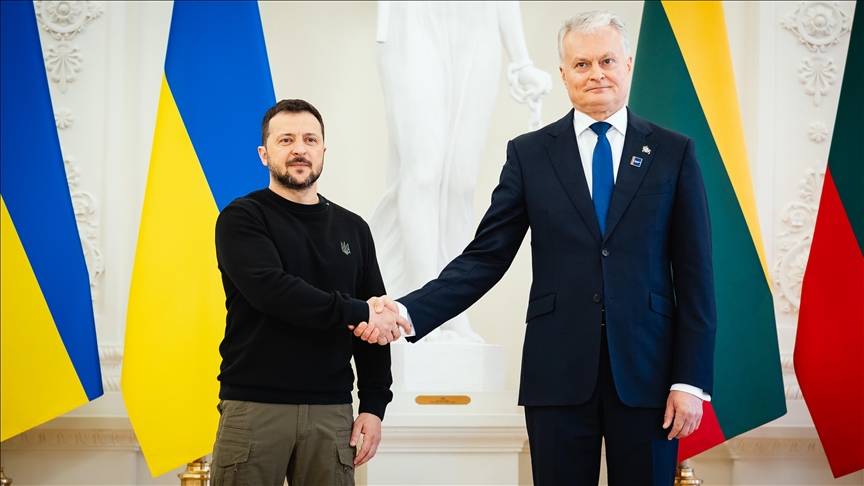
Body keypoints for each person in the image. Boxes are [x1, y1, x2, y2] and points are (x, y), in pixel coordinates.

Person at [359, 10, 717, 485]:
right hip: (557, 374)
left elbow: (696, 278)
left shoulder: (674, 152)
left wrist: (690, 380)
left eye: (607, 60)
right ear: (564, 73)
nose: (596, 74)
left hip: (650, 376)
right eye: (582, 64)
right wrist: (408, 310)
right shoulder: (529, 154)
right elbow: (485, 257)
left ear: (628, 64)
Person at [211, 99, 409, 486]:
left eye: (310, 139)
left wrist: (373, 405)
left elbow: (374, 321)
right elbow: (274, 292)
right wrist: (360, 311)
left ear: (323, 151)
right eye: (286, 140)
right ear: (264, 154)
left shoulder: (354, 228)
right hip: (255, 406)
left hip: (331, 409)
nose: (299, 149)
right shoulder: (242, 217)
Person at [370, 1, 551, 342]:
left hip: (479, 22)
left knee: (461, 180)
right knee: (423, 170)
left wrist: (522, 60)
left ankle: (449, 309)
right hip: (415, 17)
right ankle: (418, 309)